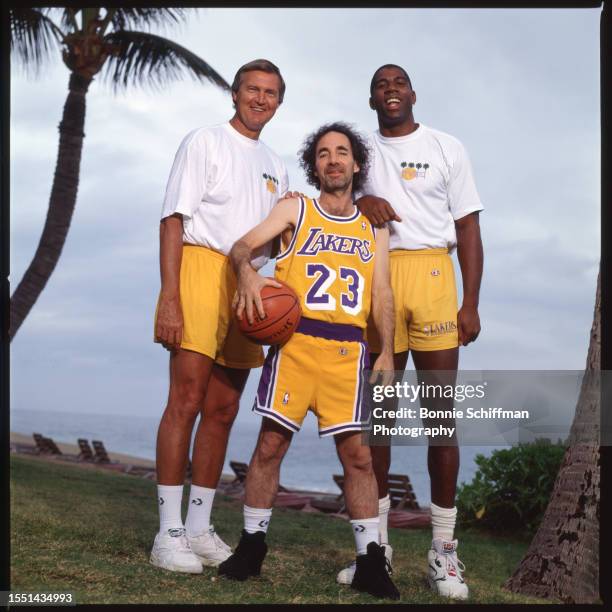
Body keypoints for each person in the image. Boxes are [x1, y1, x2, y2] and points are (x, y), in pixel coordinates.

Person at [217, 123, 400, 600]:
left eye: (342, 152)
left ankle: (370, 561)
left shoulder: (373, 225)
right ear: (314, 165)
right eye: (323, 154)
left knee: (358, 457)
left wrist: (385, 350)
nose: (333, 160)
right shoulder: (296, 207)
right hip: (295, 345)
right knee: (271, 446)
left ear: (357, 164)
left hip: (349, 352)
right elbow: (242, 246)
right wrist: (247, 277)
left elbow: (382, 291)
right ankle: (252, 546)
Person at [336, 64, 484, 600]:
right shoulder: (360, 151)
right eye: (381, 85)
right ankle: (376, 552)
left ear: (413, 93)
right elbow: (332, 198)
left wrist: (470, 301)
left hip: (435, 278)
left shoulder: (447, 147)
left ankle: (444, 553)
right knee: (378, 423)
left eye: (398, 83)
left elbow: (467, 225)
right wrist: (360, 202)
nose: (391, 90)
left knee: (441, 420)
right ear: (372, 98)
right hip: (380, 280)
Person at [150, 59, 289, 574]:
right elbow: (172, 219)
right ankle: (168, 533)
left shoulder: (278, 163)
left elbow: (277, 241)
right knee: (185, 400)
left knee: (224, 409)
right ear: (235, 95)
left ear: (279, 102)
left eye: (270, 92)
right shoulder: (203, 141)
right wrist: (170, 295)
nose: (260, 99)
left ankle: (201, 527)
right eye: (252, 89)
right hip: (201, 268)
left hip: (250, 283)